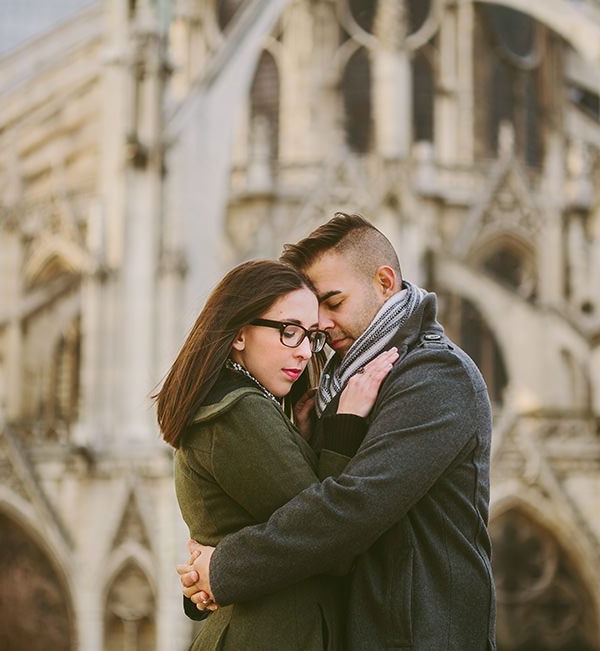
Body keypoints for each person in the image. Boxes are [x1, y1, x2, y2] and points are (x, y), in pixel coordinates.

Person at [179, 214, 496, 650]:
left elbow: (355, 505)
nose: (321, 328)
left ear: (384, 282)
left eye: (334, 302)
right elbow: (310, 498)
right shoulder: (343, 382)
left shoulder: (434, 373)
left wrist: (222, 568)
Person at [158, 259, 398, 650]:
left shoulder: (243, 406)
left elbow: (283, 523)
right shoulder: (237, 412)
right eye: (290, 332)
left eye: (310, 336)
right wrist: (346, 424)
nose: (304, 352)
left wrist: (302, 443)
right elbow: (331, 538)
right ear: (239, 334)